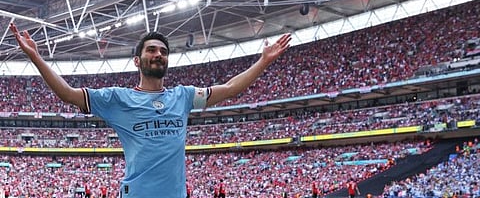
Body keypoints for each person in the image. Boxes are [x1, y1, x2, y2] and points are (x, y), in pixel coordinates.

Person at [9, 22, 291, 198]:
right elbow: (69, 94)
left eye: (163, 52)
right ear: (137, 60)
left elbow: (230, 88)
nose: (158, 54)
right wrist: (36, 57)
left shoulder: (183, 97)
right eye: (152, 50)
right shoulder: (118, 99)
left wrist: (263, 62)